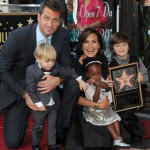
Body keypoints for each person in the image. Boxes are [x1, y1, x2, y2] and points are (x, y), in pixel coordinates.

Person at [0, 0, 80, 149]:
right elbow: (3, 70)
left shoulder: (62, 34)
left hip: (51, 89)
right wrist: (24, 94)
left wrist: (58, 80)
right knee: (12, 143)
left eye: (55, 20)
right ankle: (26, 121)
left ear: (60, 21)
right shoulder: (17, 36)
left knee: (73, 85)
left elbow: (66, 65)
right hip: (22, 90)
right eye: (46, 18)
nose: (50, 24)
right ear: (38, 17)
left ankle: (60, 127)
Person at [26, 43, 88, 150]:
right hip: (40, 104)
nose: (51, 64)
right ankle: (35, 144)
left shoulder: (55, 66)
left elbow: (68, 71)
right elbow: (30, 90)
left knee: (52, 125)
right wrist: (38, 104)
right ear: (38, 58)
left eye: (53, 60)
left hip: (53, 103)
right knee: (38, 126)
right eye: (47, 61)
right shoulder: (31, 70)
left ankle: (52, 145)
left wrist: (80, 80)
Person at [65, 28, 111, 150]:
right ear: (81, 44)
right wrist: (98, 106)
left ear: (99, 44)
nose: (90, 46)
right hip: (79, 108)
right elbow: (72, 96)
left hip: (100, 106)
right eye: (86, 42)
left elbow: (104, 88)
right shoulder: (72, 64)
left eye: (94, 42)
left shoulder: (102, 60)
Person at [109, 32, 148, 143]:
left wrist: (141, 78)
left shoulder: (137, 60)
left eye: (124, 44)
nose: (121, 48)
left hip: (135, 98)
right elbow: (109, 86)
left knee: (121, 116)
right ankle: (128, 131)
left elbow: (146, 77)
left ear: (129, 46)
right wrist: (109, 83)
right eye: (117, 45)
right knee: (119, 115)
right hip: (119, 100)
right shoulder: (111, 65)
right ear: (112, 49)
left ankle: (127, 133)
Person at [82, 57, 130, 147]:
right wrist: (97, 87)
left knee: (115, 118)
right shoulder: (87, 86)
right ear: (87, 74)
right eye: (93, 75)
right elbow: (94, 100)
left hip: (105, 106)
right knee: (108, 121)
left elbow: (106, 85)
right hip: (95, 108)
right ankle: (116, 138)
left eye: (99, 74)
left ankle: (118, 138)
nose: (96, 77)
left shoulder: (101, 80)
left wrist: (99, 83)